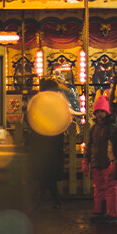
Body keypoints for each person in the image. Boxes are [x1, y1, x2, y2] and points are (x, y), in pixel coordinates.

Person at [25, 78, 65, 209]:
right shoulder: (56, 105)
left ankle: (44, 198)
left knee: (45, 173)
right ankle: (53, 199)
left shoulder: (40, 104)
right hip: (50, 145)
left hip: (44, 145)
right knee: (48, 173)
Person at [83, 95, 117, 223]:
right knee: (98, 189)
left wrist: (114, 161)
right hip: (96, 163)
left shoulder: (111, 128)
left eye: (102, 111)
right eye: (97, 112)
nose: (99, 114)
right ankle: (100, 211)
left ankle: (112, 213)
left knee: (110, 189)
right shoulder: (94, 128)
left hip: (108, 163)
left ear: (106, 112)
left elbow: (115, 146)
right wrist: (86, 160)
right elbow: (90, 144)